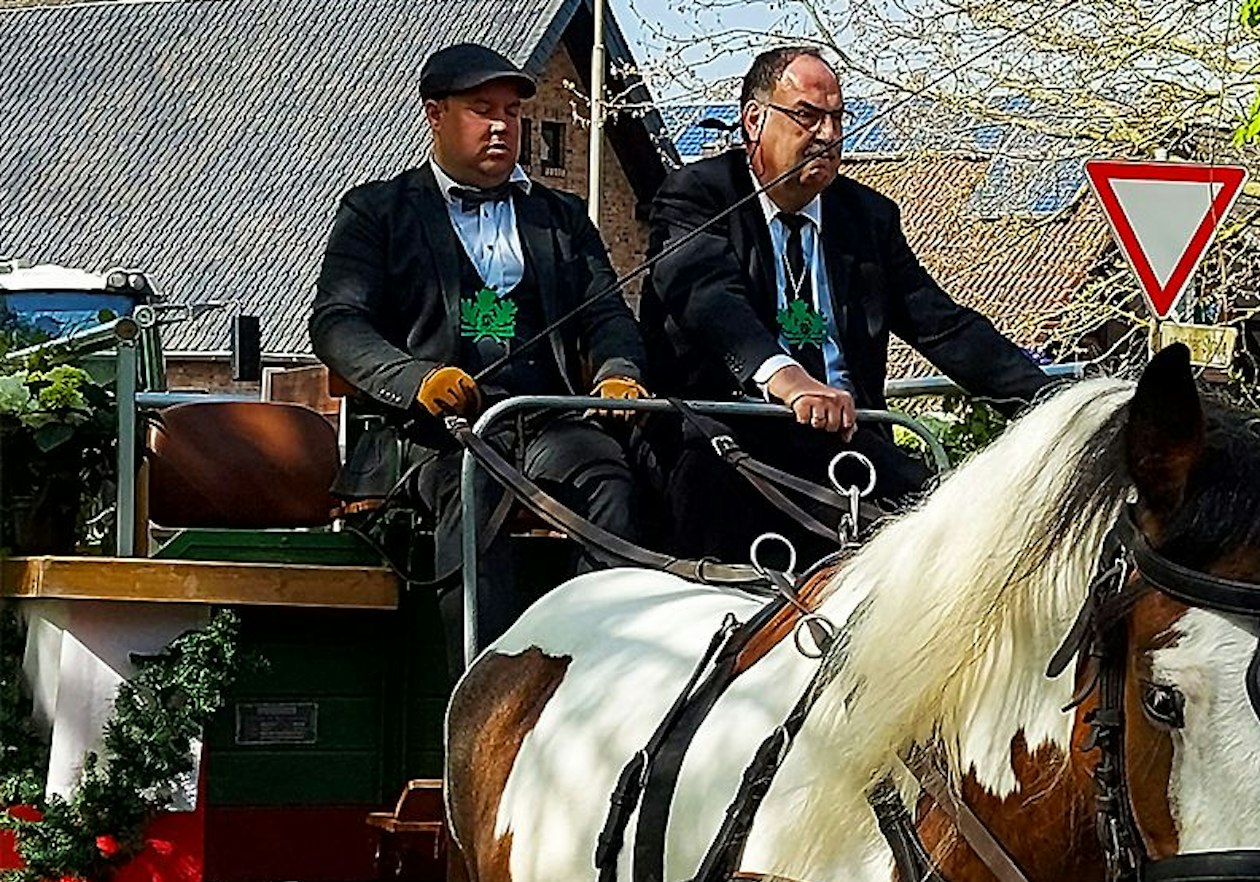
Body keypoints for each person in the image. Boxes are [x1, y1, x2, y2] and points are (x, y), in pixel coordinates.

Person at [310, 41, 650, 670]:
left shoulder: (562, 217)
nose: (502, 125)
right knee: (474, 489)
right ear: (435, 116)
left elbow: (608, 317)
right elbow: (336, 324)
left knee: (611, 481)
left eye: (512, 113)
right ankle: (479, 693)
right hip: (436, 436)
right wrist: (416, 379)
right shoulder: (377, 212)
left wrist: (617, 373)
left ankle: (602, 673)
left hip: (545, 421)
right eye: (481, 109)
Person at [643, 45, 1048, 561]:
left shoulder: (867, 218)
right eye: (807, 116)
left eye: (838, 119)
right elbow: (708, 301)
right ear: (754, 119)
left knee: (956, 543)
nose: (828, 136)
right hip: (730, 443)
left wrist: (1061, 401)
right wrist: (787, 380)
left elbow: (945, 328)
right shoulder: (694, 196)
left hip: (849, 444)